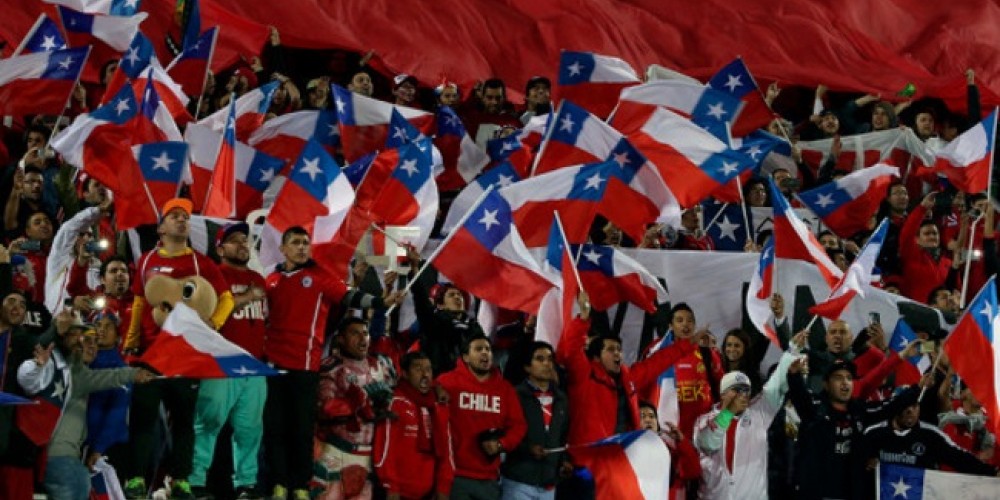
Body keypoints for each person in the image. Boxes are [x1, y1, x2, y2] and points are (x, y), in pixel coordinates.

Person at [263, 227, 401, 500]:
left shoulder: (320, 276)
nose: (302, 247)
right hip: (272, 364)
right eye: (296, 243)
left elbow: (350, 296)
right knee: (274, 427)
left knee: (301, 429)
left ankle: (300, 486)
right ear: (283, 249)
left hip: (305, 365)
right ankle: (278, 484)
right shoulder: (272, 280)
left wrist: (379, 301)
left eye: (305, 243)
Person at [121, 197, 234, 499]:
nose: (182, 220)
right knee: (143, 419)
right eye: (174, 216)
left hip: (184, 355)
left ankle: (180, 479)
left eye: (185, 216)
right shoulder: (145, 260)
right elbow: (138, 302)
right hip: (150, 354)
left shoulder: (200, 261)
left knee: (184, 420)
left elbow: (226, 298)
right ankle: (135, 480)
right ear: (161, 227)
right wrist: (132, 339)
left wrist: (213, 325)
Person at [17, 308, 154, 500]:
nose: (90, 345)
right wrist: (132, 374)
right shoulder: (68, 368)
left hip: (74, 455)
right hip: (61, 457)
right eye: (83, 339)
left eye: (94, 341)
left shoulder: (79, 370)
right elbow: (27, 376)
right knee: (78, 482)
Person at [190, 223, 268, 498]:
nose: (243, 245)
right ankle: (196, 481)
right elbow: (206, 312)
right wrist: (246, 297)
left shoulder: (259, 279)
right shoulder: (213, 275)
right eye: (234, 241)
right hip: (221, 360)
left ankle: (246, 484)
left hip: (254, 364)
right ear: (220, 248)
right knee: (208, 423)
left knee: (249, 429)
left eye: (245, 240)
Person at [787, 339, 921, 500]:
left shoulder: (860, 410)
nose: (845, 383)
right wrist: (794, 375)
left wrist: (917, 387)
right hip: (815, 493)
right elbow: (799, 394)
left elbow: (889, 407)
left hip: (849, 493)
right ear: (826, 384)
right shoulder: (814, 408)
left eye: (849, 378)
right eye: (838, 378)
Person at [692, 344, 798, 499]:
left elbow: (775, 384)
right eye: (736, 389)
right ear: (723, 394)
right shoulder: (704, 421)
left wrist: (792, 350)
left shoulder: (759, 413)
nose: (743, 395)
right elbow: (709, 442)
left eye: (746, 390)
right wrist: (729, 412)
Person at [313, 317, 397, 499]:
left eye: (365, 333)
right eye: (355, 333)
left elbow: (398, 399)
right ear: (340, 339)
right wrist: (357, 403)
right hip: (335, 455)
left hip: (368, 458)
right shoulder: (331, 367)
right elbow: (324, 408)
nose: (362, 339)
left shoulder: (381, 366)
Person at [437, 334, 527, 500]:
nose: (485, 353)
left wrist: (502, 444)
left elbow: (518, 426)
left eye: (488, 349)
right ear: (465, 357)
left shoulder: (505, 389)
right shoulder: (447, 383)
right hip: (455, 475)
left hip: (489, 479)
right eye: (478, 349)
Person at [861, 386, 998, 476]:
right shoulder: (873, 434)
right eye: (905, 406)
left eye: (915, 406)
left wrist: (992, 472)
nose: (911, 411)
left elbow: (959, 458)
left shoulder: (931, 435)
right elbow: (857, 468)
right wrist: (866, 465)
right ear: (895, 407)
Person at [373, 351, 454, 500]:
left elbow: (447, 451)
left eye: (428, 369)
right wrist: (392, 488)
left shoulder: (439, 406)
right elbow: (384, 450)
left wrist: (443, 487)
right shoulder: (394, 403)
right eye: (418, 369)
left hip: (428, 494)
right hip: (397, 494)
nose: (425, 375)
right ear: (405, 374)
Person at [500, 341, 570, 500]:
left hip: (548, 486)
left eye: (550, 359)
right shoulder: (515, 395)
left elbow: (563, 435)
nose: (546, 363)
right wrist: (528, 449)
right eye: (540, 359)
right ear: (527, 367)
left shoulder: (562, 399)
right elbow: (505, 434)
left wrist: (564, 461)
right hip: (518, 482)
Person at [639, 402, 701, 500]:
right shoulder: (628, 452)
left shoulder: (669, 450)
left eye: (652, 416)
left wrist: (681, 441)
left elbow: (693, 471)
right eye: (642, 416)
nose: (648, 420)